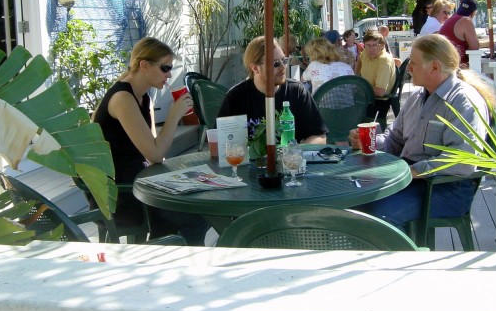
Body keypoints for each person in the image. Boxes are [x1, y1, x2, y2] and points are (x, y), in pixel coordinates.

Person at [349, 34, 496, 231]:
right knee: (353, 202)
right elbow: (395, 138)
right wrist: (369, 142)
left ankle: (397, 251)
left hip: (446, 187)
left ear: (434, 67)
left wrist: (410, 172)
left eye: (414, 63)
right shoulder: (418, 96)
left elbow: (462, 160)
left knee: (377, 218)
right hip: (411, 178)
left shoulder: (463, 100)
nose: (409, 68)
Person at [93, 37, 209, 245]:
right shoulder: (123, 98)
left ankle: (160, 250)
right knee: (194, 218)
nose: (169, 75)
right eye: (165, 68)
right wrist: (174, 115)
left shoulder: (143, 97)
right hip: (118, 194)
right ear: (144, 65)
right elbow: (155, 154)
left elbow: (155, 151)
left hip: (139, 183)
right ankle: (161, 253)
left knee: (197, 202)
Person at [218, 36, 327, 144]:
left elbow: (319, 136)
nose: (283, 67)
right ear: (255, 68)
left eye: (284, 60)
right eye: (275, 63)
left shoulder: (297, 92)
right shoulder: (236, 97)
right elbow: (220, 140)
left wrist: (295, 151)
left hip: (290, 155)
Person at [355, 30, 396, 124]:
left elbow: (380, 92)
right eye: (368, 45)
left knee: (349, 114)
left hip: (378, 101)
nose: (371, 49)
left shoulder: (384, 62)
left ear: (382, 45)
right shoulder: (366, 52)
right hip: (365, 96)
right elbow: (360, 59)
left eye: (374, 45)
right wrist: (356, 75)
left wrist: (360, 86)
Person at [438, 0, 480, 67]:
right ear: (473, 13)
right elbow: (475, 47)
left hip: (444, 63)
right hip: (455, 66)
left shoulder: (452, 18)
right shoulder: (466, 21)